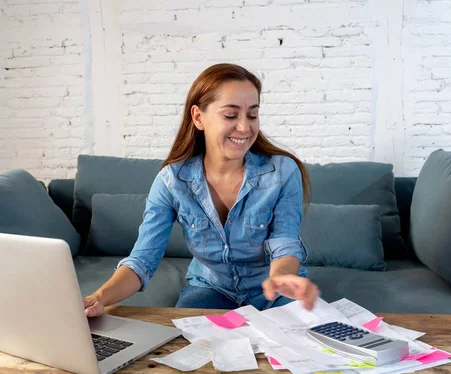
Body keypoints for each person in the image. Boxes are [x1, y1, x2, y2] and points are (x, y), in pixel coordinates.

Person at [83, 63, 320, 317]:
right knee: (188, 345)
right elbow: (143, 259)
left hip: (272, 292)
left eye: (252, 115)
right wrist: (99, 297)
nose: (244, 127)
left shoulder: (282, 172)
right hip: (211, 288)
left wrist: (281, 280)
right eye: (231, 115)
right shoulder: (172, 181)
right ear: (198, 118)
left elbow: (285, 242)